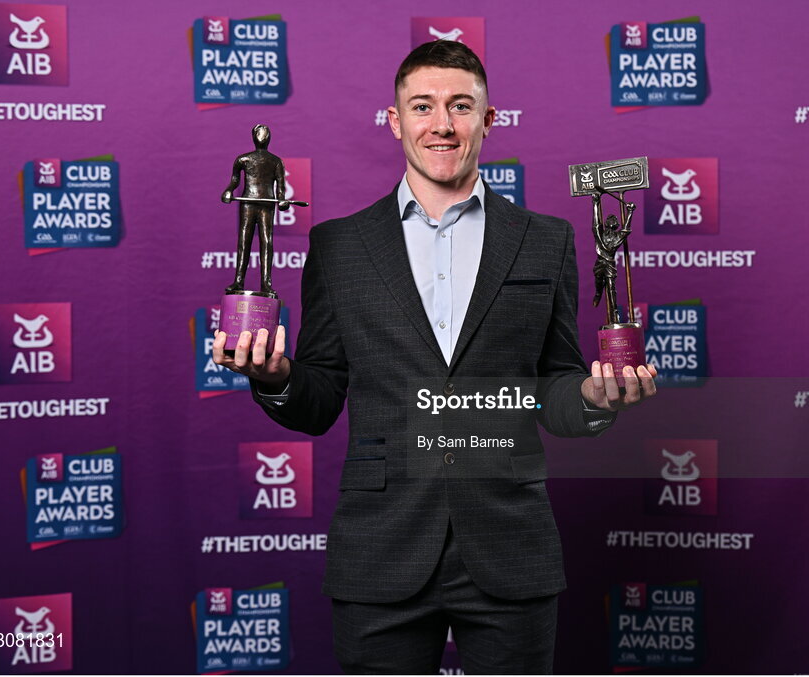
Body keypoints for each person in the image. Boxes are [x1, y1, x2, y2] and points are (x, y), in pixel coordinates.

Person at [213, 40, 657, 674]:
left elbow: (554, 385)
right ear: (395, 122)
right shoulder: (340, 246)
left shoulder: (546, 241)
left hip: (510, 542)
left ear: (488, 119)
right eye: (422, 106)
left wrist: (591, 397)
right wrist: (277, 377)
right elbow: (318, 400)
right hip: (381, 547)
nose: (441, 124)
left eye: (460, 106)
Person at [221, 123, 289, 296]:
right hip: (248, 203)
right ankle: (238, 281)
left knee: (267, 242)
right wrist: (228, 191)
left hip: (267, 204)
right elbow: (235, 181)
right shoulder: (243, 159)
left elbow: (281, 188)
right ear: (253, 136)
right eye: (259, 133)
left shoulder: (276, 161)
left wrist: (282, 201)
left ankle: (266, 283)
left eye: (265, 133)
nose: (263, 136)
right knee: (244, 241)